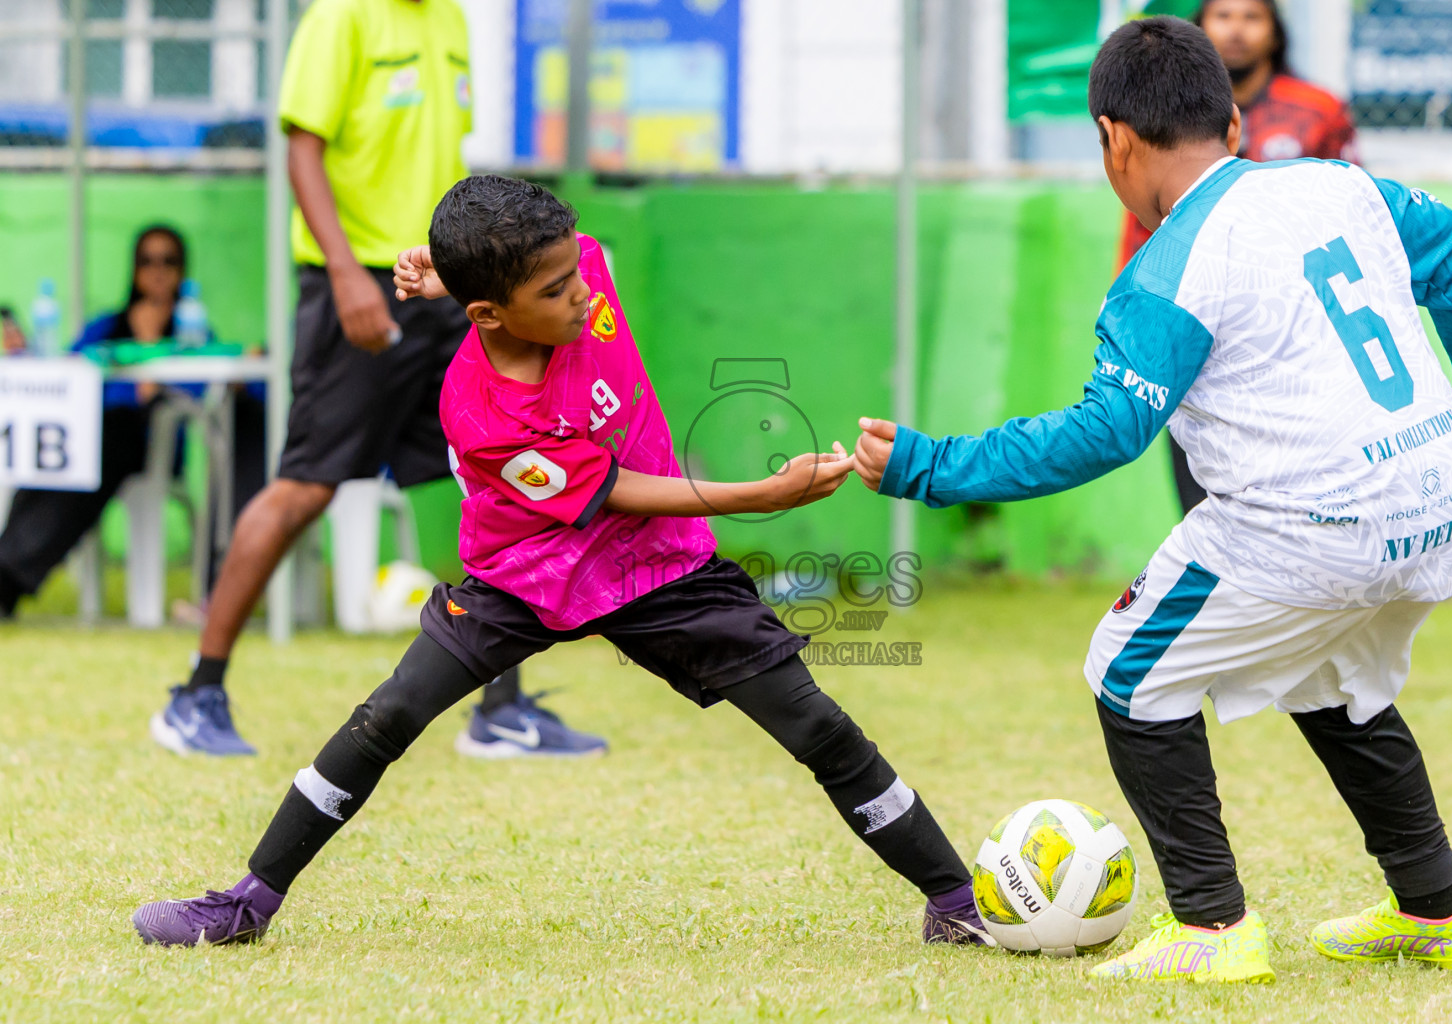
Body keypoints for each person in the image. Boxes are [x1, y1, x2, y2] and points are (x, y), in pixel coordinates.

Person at [129, 176, 990, 950]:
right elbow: (611, 490)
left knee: (817, 725)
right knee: (389, 714)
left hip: (658, 566)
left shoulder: (577, 272)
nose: (582, 293)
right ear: (489, 316)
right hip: (525, 572)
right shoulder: (479, 409)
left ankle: (955, 902)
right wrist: (760, 496)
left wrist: (447, 266)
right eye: (554, 289)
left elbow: (560, 267)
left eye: (576, 272)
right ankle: (245, 903)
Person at [853, 17, 1452, 982]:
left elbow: (1104, 433)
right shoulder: (1345, 187)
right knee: (1333, 678)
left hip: (1310, 520)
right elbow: (1447, 241)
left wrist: (931, 465)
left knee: (1126, 671)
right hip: (1434, 495)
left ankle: (1214, 927)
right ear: (1236, 123)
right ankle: (1440, 912)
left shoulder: (1162, 272)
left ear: (1113, 138)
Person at [157, 0, 604, 759]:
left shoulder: (452, 23)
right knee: (307, 484)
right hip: (356, 289)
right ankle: (198, 692)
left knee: (495, 478)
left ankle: (501, 708)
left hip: (439, 281)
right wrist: (344, 275)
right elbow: (303, 151)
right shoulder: (340, 18)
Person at [1121, 0, 1361, 515]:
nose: (1236, 30)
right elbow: (1142, 223)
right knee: (1203, 504)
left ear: (1275, 33)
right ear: (1199, 29)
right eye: (1222, 16)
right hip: (1197, 329)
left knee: (1300, 501)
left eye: (1251, 17)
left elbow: (1351, 211)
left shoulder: (1318, 111)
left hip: (1295, 332)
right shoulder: (1163, 114)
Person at [0, 226, 266, 619]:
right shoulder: (107, 327)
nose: (157, 271)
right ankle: (8, 573)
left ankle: (8, 579)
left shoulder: (193, 334)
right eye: (147, 261)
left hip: (146, 449)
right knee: (61, 454)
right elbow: (70, 381)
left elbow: (207, 395)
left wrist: (151, 363)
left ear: (182, 271)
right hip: (93, 441)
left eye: (168, 261)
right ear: (135, 269)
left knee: (105, 444)